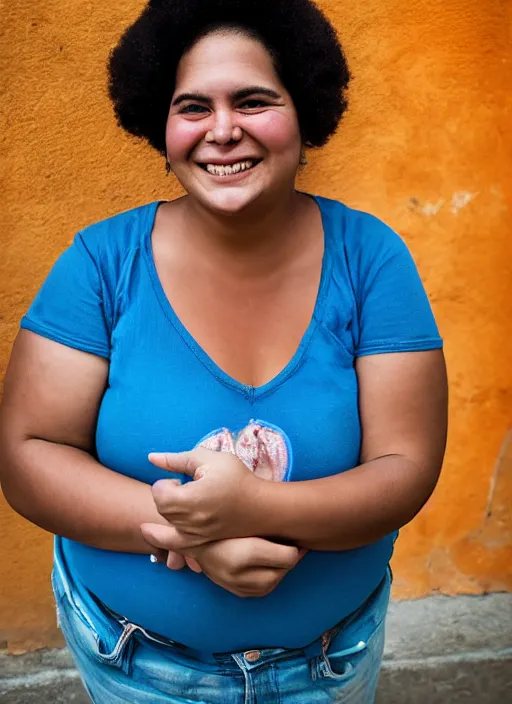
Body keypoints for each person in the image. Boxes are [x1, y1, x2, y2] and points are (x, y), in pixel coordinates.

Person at [0, 0, 448, 702]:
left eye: (253, 100)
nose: (223, 130)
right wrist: (192, 532)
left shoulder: (371, 259)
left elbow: (407, 467)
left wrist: (250, 510)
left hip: (329, 667)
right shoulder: (100, 263)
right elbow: (28, 454)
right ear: (161, 124)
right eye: (193, 107)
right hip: (134, 666)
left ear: (305, 113)